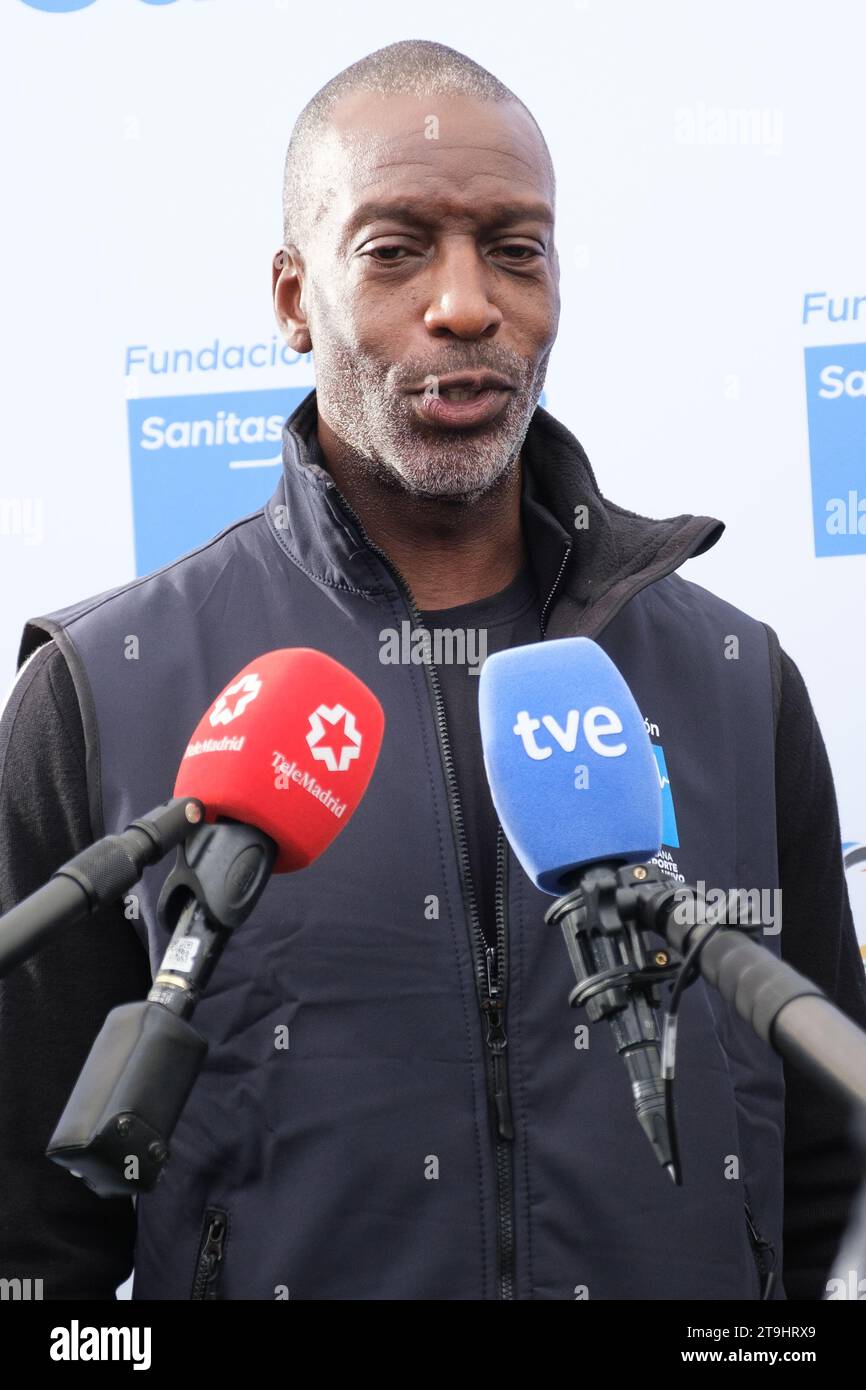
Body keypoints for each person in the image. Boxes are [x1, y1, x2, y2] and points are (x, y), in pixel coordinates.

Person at [1, 38, 865, 1302]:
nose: (466, 304)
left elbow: (813, 1152)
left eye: (514, 249)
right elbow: (34, 1245)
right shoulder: (99, 688)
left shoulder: (735, 677)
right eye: (395, 248)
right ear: (293, 298)